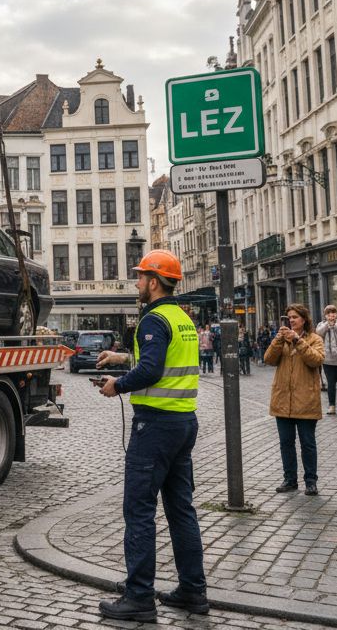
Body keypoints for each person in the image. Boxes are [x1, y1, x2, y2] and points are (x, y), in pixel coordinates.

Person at [94, 249, 207, 621]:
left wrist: (117, 385)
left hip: (155, 426)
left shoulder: (152, 319)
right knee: (181, 510)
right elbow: (163, 359)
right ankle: (193, 590)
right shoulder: (182, 318)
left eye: (141, 277)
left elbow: (153, 371)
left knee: (139, 511)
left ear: (155, 282)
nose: (137, 283)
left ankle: (139, 597)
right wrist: (120, 358)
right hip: (183, 423)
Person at [264, 304, 325, 495]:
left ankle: (310, 481)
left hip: (305, 400)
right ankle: (290, 479)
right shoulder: (281, 340)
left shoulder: (315, 339)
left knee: (307, 443)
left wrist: (298, 341)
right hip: (283, 400)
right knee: (286, 443)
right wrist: (277, 340)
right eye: (289, 317)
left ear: (304, 319)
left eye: (295, 317)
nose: (291, 320)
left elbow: (316, 360)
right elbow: (269, 359)